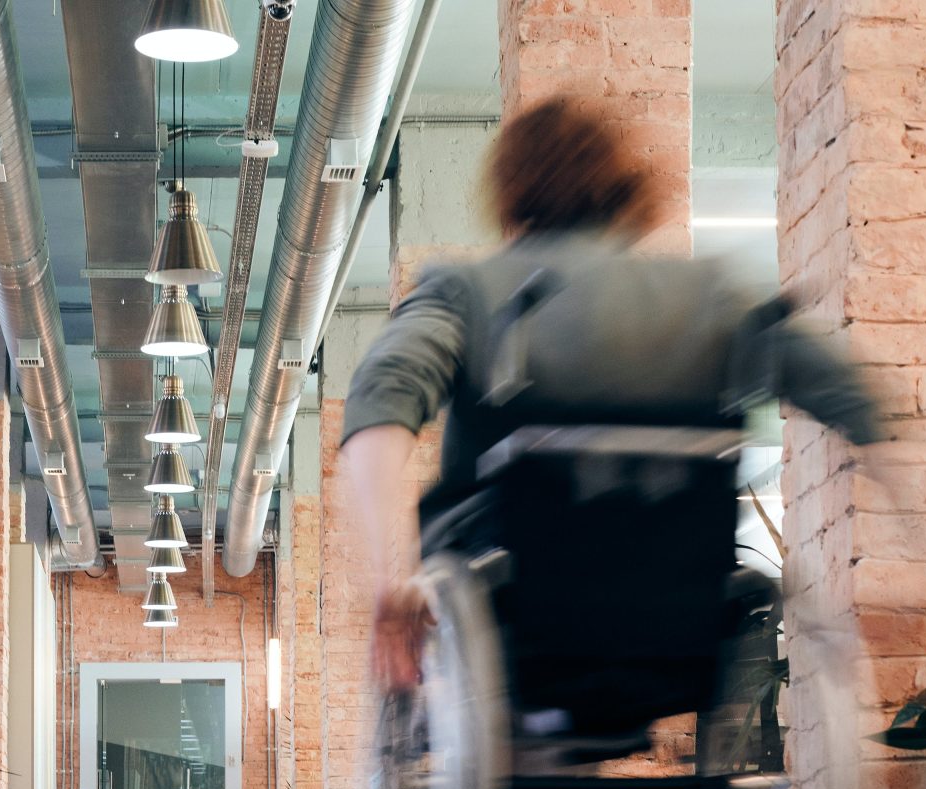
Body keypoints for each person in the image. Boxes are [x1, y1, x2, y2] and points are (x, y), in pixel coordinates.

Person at [339, 96, 883, 694]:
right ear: (621, 185)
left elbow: (381, 400)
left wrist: (390, 580)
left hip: (513, 592)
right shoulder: (710, 294)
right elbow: (845, 392)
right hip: (679, 598)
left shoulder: (466, 290)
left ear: (510, 189)